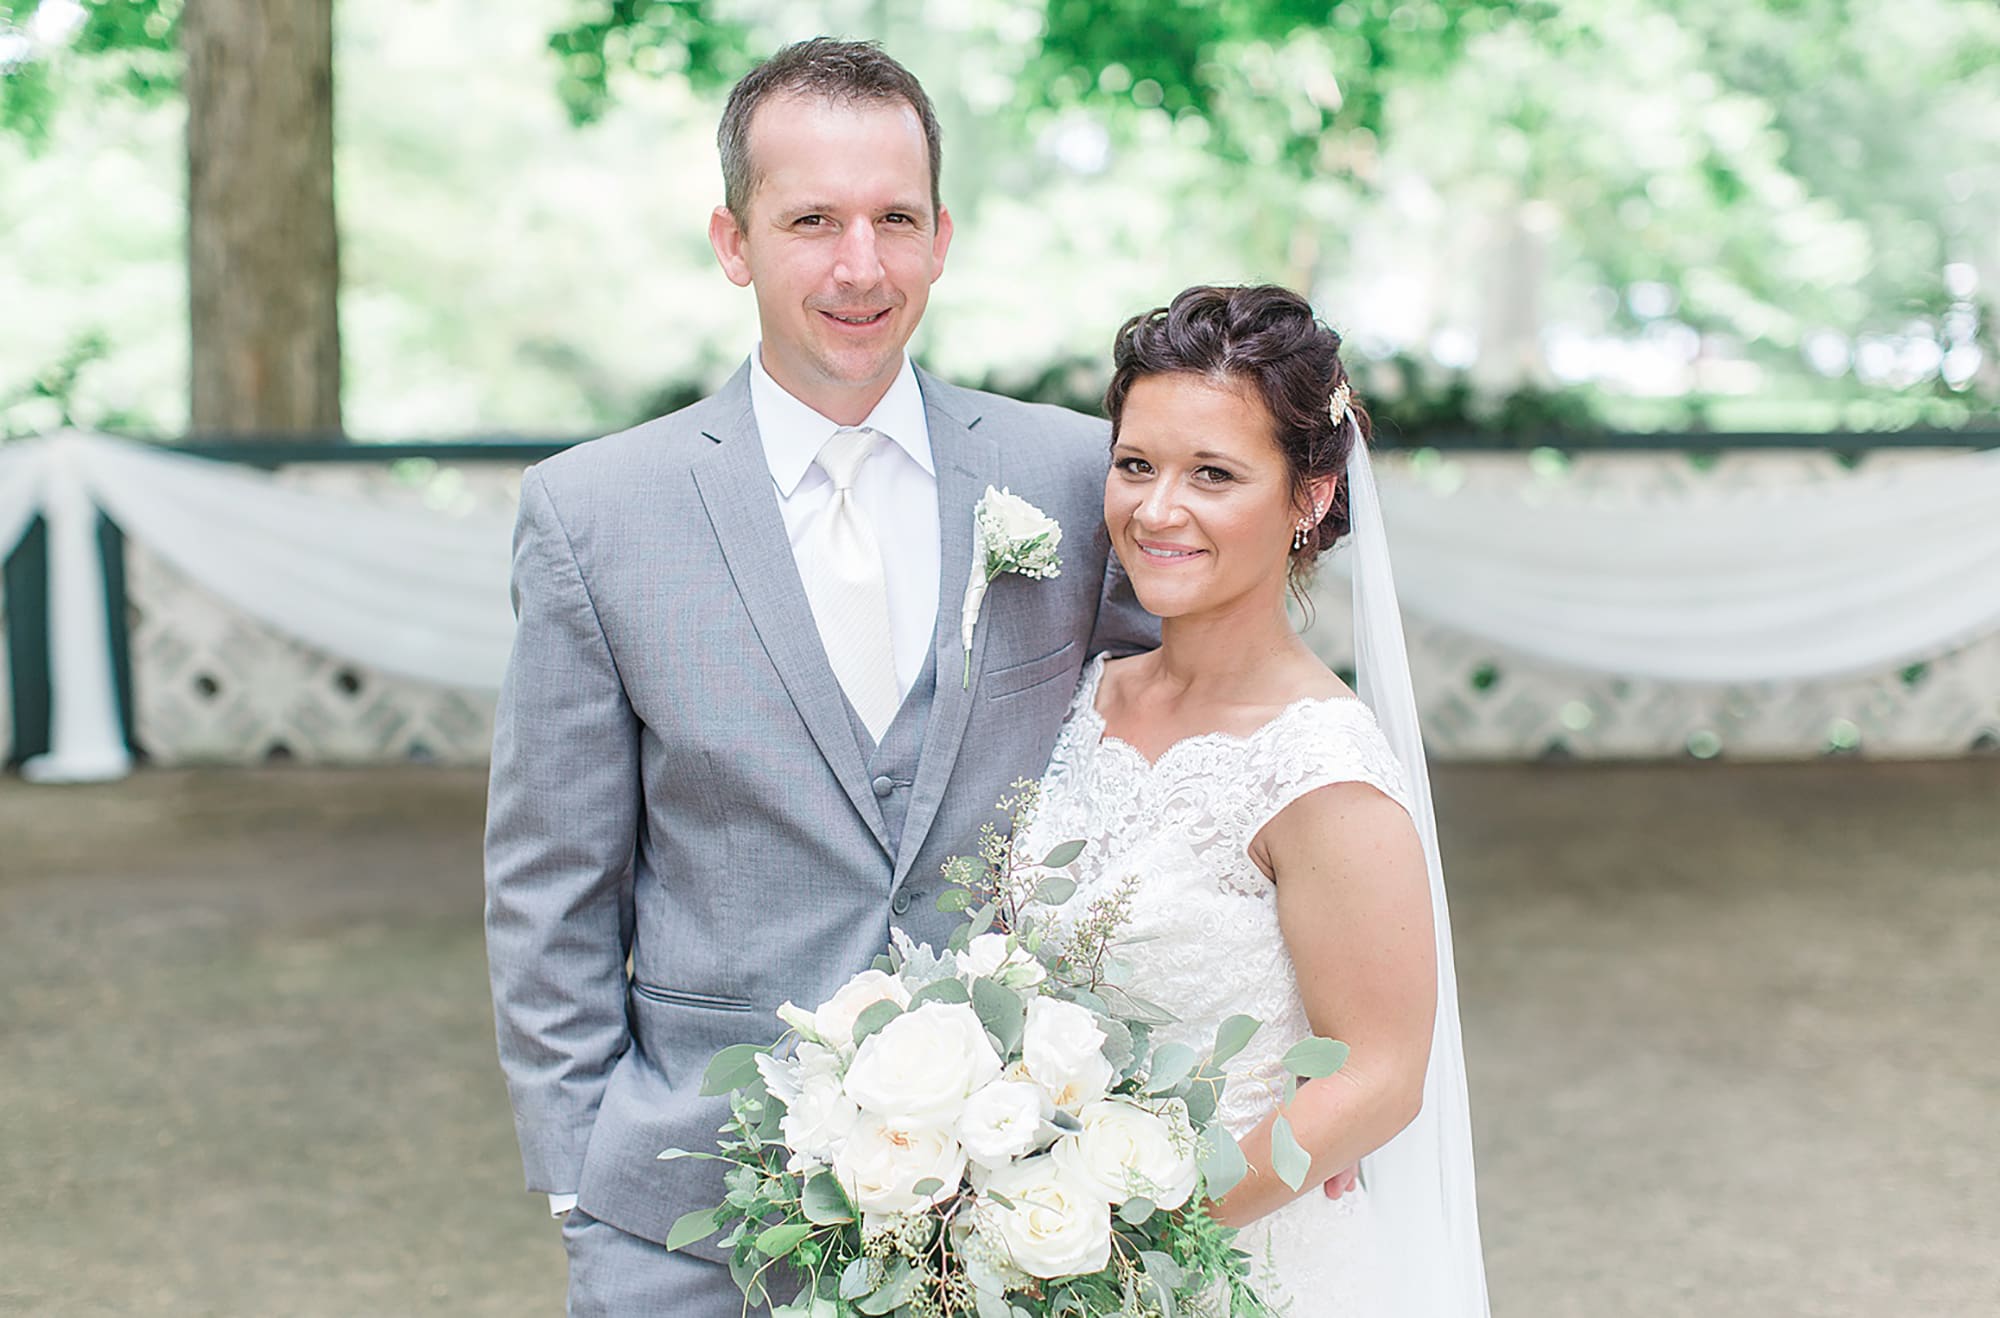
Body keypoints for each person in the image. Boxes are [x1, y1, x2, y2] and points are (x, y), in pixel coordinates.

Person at [482, 38, 1156, 1316]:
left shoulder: (1076, 476)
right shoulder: (593, 514)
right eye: (812, 222)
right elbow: (550, 880)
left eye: (894, 219)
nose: (861, 266)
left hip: (1017, 1213)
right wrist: (579, 1179)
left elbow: (1185, 756)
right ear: (734, 241)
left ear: (942, 236)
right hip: (686, 1217)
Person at [1024, 284, 1490, 1316]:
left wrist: (1130, 1244)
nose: (1155, 510)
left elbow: (1378, 1076)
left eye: (1213, 475)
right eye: (1135, 464)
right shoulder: (1084, 693)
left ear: (1307, 499)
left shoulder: (1319, 767)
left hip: (1230, 1272)